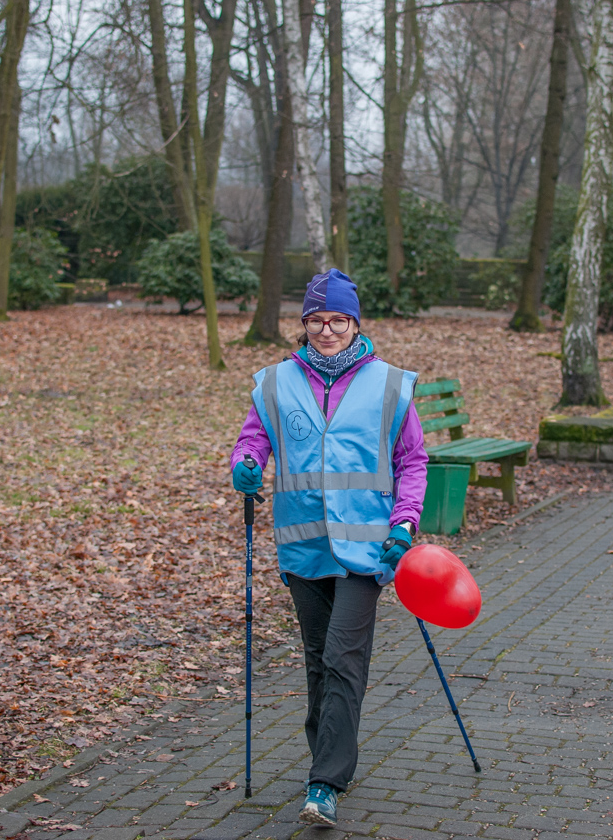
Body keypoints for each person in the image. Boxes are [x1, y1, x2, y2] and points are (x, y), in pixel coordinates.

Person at [230, 268, 429, 827]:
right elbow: (254, 439)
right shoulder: (274, 382)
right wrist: (245, 465)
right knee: (318, 660)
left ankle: (325, 782)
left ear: (355, 322)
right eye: (316, 320)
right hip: (303, 546)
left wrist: (404, 525)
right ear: (303, 324)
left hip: (369, 551)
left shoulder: (389, 383)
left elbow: (411, 461)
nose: (326, 329)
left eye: (337, 319)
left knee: (344, 656)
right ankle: (329, 755)